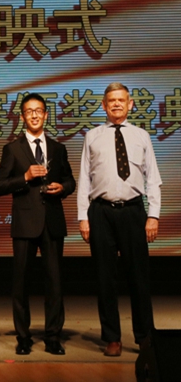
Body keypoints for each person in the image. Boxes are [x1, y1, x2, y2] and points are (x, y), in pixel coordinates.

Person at [78, 82, 161, 356]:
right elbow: (84, 178)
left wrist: (153, 215)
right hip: (100, 212)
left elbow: (153, 179)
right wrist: (83, 217)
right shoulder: (92, 136)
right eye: (111, 100)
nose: (116, 104)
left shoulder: (141, 136)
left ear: (130, 104)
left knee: (139, 277)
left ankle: (145, 337)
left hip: (134, 212)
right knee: (105, 278)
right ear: (103, 105)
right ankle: (112, 337)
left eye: (121, 100)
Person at [0, 93, 76, 356]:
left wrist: (63, 188)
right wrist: (25, 177)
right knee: (21, 283)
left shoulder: (58, 148)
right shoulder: (12, 149)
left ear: (46, 115)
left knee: (55, 283)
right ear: (22, 116)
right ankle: (23, 337)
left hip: (52, 221)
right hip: (24, 222)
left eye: (38, 110)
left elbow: (71, 181)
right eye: (29, 111)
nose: (34, 115)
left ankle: (53, 337)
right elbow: (0, 186)